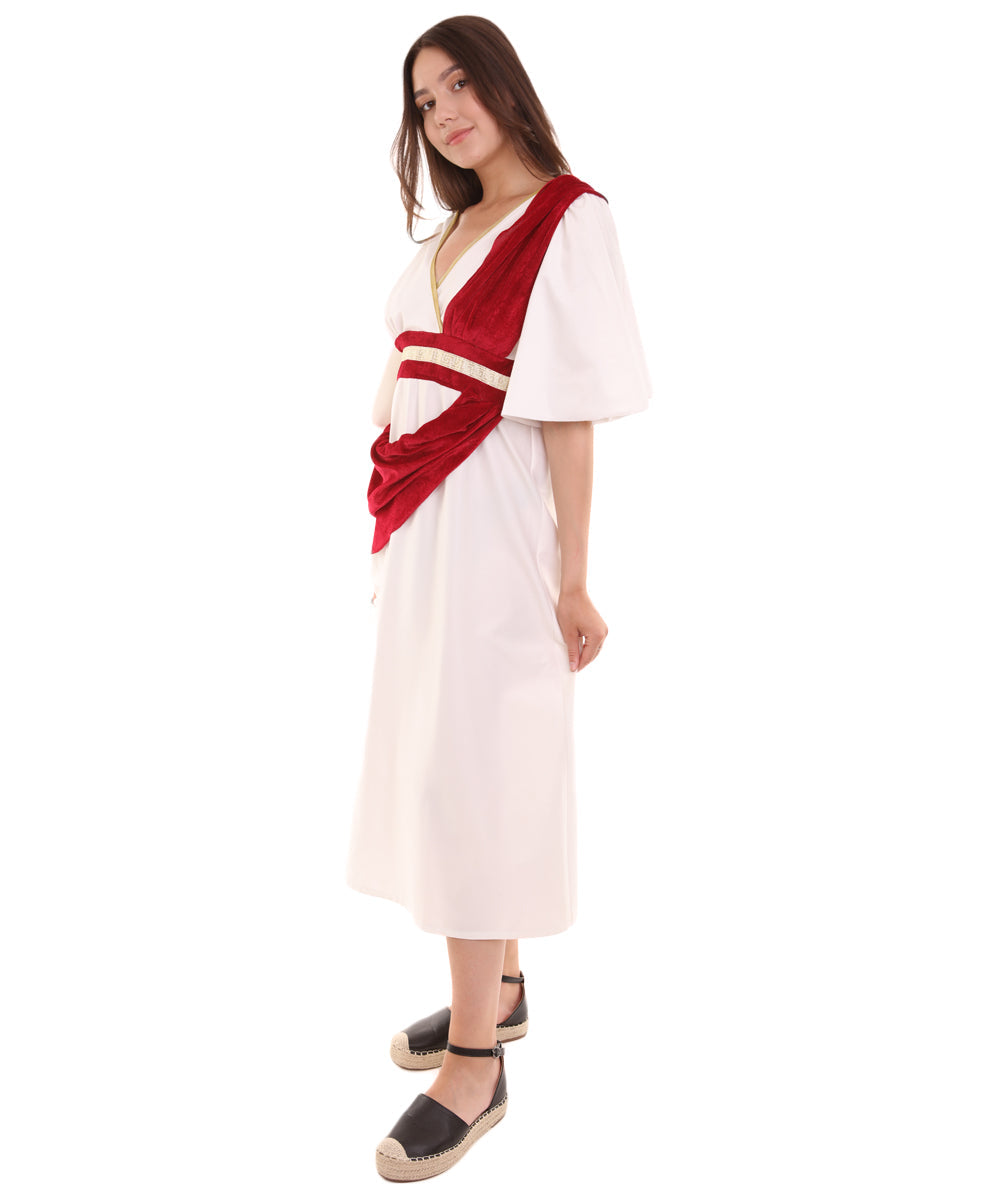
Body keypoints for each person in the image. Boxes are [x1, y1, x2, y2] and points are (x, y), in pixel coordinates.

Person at [345, 15, 651, 1181]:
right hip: (426, 524)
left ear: (505, 87)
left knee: (473, 771)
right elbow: (411, 359)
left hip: (494, 528)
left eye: (458, 85)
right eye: (424, 102)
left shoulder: (566, 218)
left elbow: (567, 413)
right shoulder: (454, 228)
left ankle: (476, 1064)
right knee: (447, 754)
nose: (443, 113)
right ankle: (503, 986)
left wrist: (573, 576)